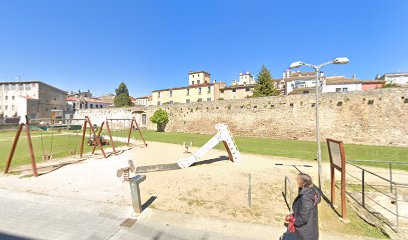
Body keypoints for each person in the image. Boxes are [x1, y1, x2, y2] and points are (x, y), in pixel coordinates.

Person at [283, 173, 322, 240]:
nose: (296, 180)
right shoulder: (311, 191)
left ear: (303, 184)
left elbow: (303, 218)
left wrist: (294, 221)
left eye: (298, 179)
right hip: (310, 229)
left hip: (304, 232)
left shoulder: (306, 197)